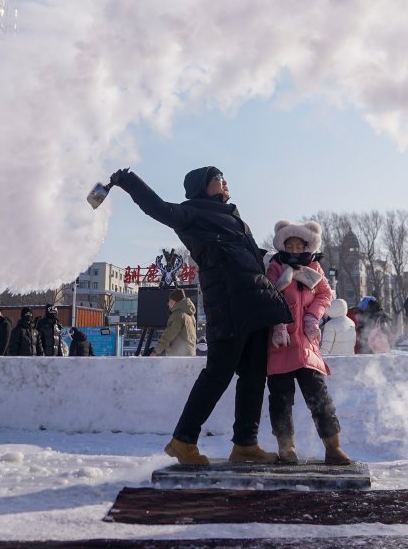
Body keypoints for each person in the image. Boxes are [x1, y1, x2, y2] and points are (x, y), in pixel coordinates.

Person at [109, 165, 292, 466]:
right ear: (201, 187)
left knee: (254, 376)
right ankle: (183, 440)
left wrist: (280, 258)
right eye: (218, 179)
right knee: (217, 375)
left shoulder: (233, 217)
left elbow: (246, 256)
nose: (225, 182)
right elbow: (159, 208)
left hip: (258, 303)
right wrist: (128, 181)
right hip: (230, 305)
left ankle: (246, 444)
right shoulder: (191, 213)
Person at [266, 220, 352, 465]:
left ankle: (333, 447)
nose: (294, 250)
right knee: (281, 400)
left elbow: (325, 294)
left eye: (298, 246)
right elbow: (270, 294)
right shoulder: (274, 267)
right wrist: (279, 322)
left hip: (306, 345)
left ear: (307, 247)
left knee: (319, 398)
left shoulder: (314, 268)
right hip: (279, 343)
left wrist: (313, 316)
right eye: (289, 245)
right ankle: (286, 448)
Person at [151, 289, 196, 356]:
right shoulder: (191, 316)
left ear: (173, 302)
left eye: (169, 301)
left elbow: (168, 335)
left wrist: (155, 351)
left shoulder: (177, 315)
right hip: (190, 354)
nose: (168, 303)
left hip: (178, 355)